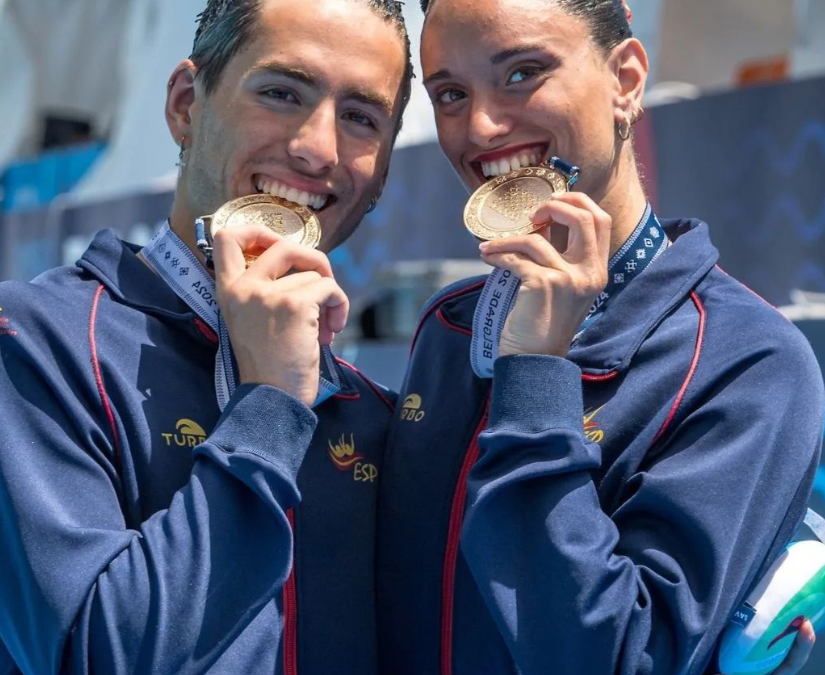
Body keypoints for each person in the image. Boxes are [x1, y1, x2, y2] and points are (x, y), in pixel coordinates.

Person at [375, 0, 824, 674]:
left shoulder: (748, 357)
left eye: (522, 72)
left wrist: (534, 377)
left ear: (626, 79)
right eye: (449, 93)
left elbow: (620, 659)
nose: (482, 125)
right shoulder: (448, 327)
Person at [0, 0, 412, 673]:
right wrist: (270, 402)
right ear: (187, 105)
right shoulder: (35, 341)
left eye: (360, 117)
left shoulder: (373, 413)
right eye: (281, 93)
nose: (316, 147)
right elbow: (96, 656)